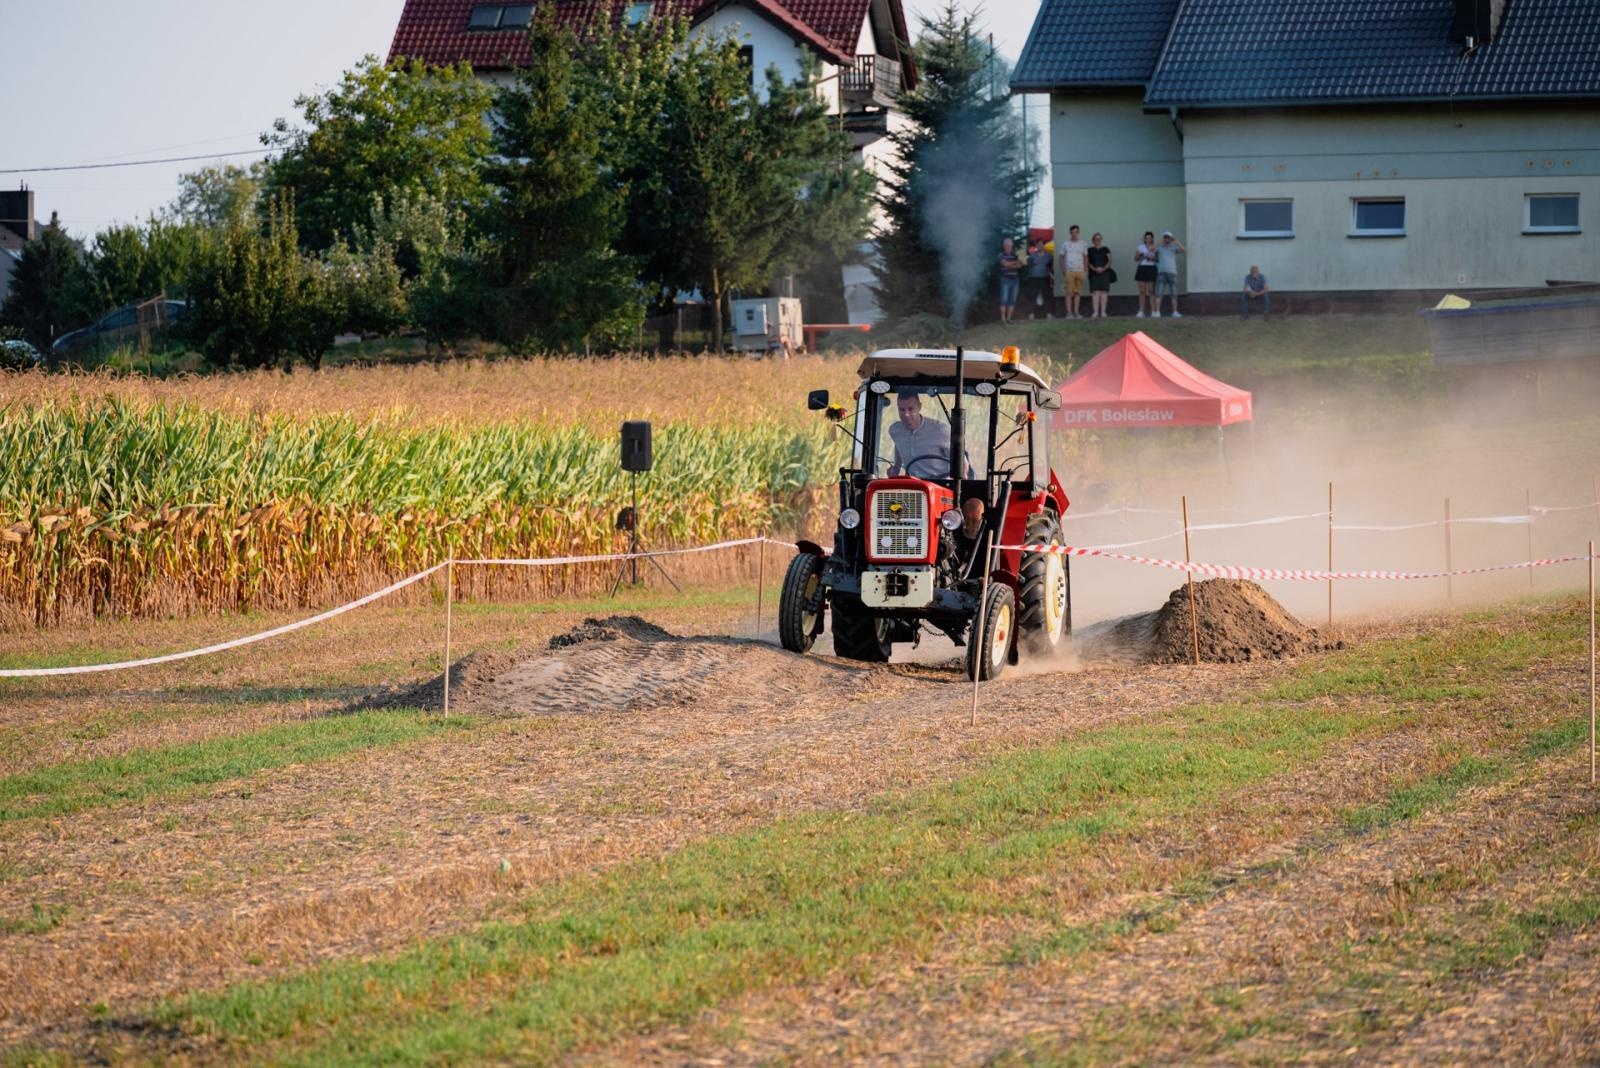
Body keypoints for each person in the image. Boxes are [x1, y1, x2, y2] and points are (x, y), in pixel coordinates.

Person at [887, 391, 951, 478]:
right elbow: (898, 445)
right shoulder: (895, 430)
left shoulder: (940, 430)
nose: (906, 414)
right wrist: (896, 468)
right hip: (912, 484)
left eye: (910, 409)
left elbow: (961, 462)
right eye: (902, 409)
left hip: (939, 484)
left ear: (919, 407)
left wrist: (961, 483)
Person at [1057, 225, 1088, 319]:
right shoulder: (1065, 244)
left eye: (1076, 232)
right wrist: (1063, 270)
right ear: (1070, 233)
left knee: (1078, 293)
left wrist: (1085, 270)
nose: (1074, 234)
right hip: (1069, 271)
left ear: (1079, 232)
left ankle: (1076, 312)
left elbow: (1085, 257)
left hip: (1080, 271)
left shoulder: (1083, 244)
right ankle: (1069, 313)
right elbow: (1061, 258)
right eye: (1072, 232)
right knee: (1069, 293)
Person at [1154, 230, 1186, 318]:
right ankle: (1157, 312)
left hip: (1172, 272)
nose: (1166, 239)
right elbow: (1151, 250)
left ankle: (1175, 312)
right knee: (1159, 293)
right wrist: (1160, 242)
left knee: (1174, 293)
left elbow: (1184, 251)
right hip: (1161, 272)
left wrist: (1177, 242)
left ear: (1171, 238)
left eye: (1168, 237)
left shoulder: (1174, 247)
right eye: (1165, 237)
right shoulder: (1159, 247)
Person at [1086, 232, 1113, 319]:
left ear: (1101, 240)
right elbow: (1087, 261)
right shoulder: (1090, 250)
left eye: (1099, 239)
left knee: (1104, 292)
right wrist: (1094, 268)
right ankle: (1095, 312)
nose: (1098, 240)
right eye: (1096, 239)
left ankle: (1103, 312)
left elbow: (1110, 260)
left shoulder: (1106, 249)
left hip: (1105, 273)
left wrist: (1103, 269)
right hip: (1093, 273)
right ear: (1093, 240)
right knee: (1095, 293)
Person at [997, 237, 1022, 325]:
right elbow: (1005, 264)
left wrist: (1011, 264)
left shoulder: (1015, 254)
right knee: (1004, 300)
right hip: (1005, 279)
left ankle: (1009, 319)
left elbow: (1019, 265)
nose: (1009, 246)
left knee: (1012, 300)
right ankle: (1003, 320)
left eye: (1010, 245)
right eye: (1007, 245)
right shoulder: (1001, 255)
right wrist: (1015, 262)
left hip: (1015, 280)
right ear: (1004, 246)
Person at [1024, 240, 1052, 318]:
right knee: (1033, 296)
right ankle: (1031, 314)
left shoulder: (1048, 256)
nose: (1039, 246)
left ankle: (1049, 313)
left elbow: (1050, 265)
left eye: (1041, 244)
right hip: (1033, 278)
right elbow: (1028, 267)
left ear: (1043, 245)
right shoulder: (1032, 256)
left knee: (1046, 296)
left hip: (1044, 278)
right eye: (1038, 244)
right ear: (1036, 246)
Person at [1134, 231, 1158, 318]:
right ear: (1144, 239)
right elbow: (1136, 258)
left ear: (1152, 238)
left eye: (1150, 237)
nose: (1148, 239)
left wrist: (1153, 257)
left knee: (1151, 291)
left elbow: (1158, 258)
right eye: (1147, 237)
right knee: (1142, 291)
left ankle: (1154, 311)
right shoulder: (1140, 247)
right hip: (1142, 268)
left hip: (1151, 268)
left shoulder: (1155, 247)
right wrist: (1142, 255)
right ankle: (1141, 311)